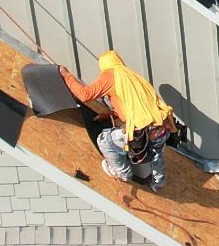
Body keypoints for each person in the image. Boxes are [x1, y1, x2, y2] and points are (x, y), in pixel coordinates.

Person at [69, 52, 181, 185]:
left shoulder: (110, 75)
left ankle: (123, 173)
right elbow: (135, 106)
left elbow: (85, 95)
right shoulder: (133, 77)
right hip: (163, 128)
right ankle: (158, 182)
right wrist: (111, 115)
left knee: (105, 141)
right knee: (155, 153)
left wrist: (66, 75)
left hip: (143, 133)